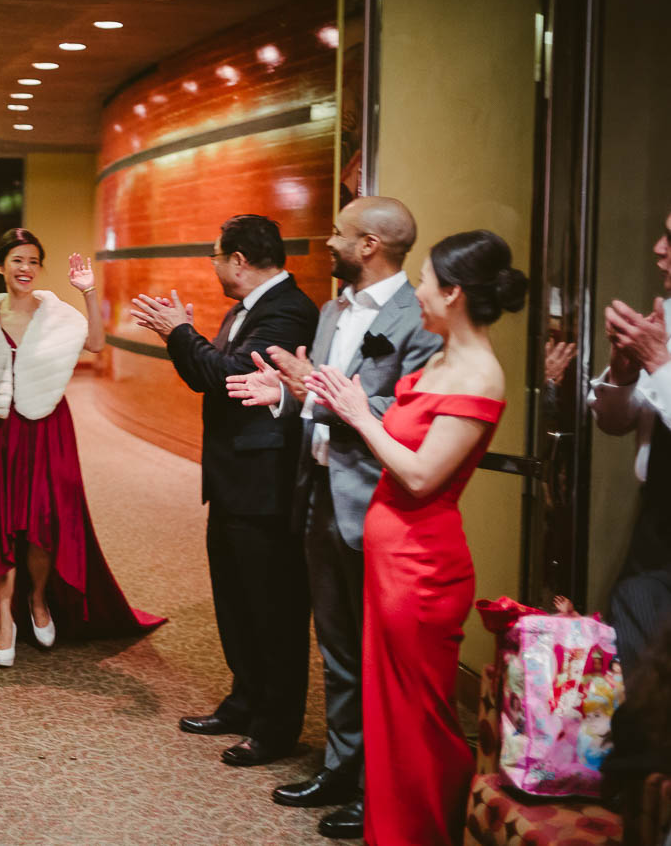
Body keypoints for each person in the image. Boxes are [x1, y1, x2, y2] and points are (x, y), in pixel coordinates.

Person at [226, 197, 440, 838]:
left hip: (376, 500)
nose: (328, 241)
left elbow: (406, 410)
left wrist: (317, 388)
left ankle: (380, 789)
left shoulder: (418, 321)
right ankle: (342, 768)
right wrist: (284, 397)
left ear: (370, 245)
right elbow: (313, 398)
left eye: (340, 233)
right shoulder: (330, 309)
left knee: (379, 655)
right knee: (339, 646)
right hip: (317, 488)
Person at [305, 228, 525, 846]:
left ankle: (422, 833)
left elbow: (423, 473)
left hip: (422, 566)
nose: (418, 291)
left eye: (427, 281)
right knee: (389, 710)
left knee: (417, 717)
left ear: (454, 292)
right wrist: (319, 395)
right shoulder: (438, 358)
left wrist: (355, 415)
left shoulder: (479, 375)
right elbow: (395, 427)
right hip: (390, 554)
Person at [130, 214, 319, 767]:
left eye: (215, 256)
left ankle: (276, 726)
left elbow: (231, 379)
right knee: (236, 600)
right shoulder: (246, 309)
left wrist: (180, 333)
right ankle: (244, 701)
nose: (213, 266)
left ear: (238, 259)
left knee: (272, 609)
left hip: (266, 486)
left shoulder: (287, 309)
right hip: (235, 480)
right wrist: (182, 340)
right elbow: (205, 375)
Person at [0, 229, 163, 667]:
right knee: (1, 525)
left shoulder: (59, 314)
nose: (25, 269)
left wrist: (88, 293)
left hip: (48, 429)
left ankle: (40, 601)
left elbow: (99, 344)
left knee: (44, 522)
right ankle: (5, 619)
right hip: (1, 431)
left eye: (32, 261)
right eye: (17, 261)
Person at [589, 206, 671, 680]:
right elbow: (617, 423)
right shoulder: (665, 317)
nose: (658, 249)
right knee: (636, 676)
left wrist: (659, 363)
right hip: (655, 522)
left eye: (669, 238)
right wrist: (623, 372)